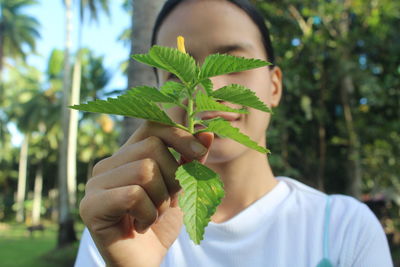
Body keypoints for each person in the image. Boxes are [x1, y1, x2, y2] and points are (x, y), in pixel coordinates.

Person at [75, 0, 393, 266]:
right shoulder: (123, 223)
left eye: (235, 63)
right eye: (177, 73)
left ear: (274, 86)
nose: (204, 88)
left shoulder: (344, 227)